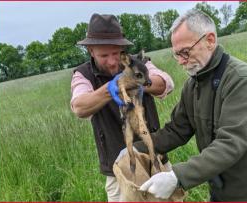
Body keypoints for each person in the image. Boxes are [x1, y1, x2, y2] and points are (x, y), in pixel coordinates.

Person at [128, 9, 247, 201]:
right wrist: (137, 147)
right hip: (220, 193)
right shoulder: (193, 84)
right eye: (176, 55)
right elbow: (176, 131)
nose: (180, 62)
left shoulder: (241, 79)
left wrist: (177, 177)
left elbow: (231, 143)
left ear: (210, 40)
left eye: (185, 52)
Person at [70, 13, 174, 202]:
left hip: (155, 160)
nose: (111, 61)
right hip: (119, 171)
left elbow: (165, 83)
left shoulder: (138, 63)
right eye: (104, 55)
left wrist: (138, 80)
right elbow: (79, 107)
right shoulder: (83, 75)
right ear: (91, 51)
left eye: (116, 53)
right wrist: (111, 89)